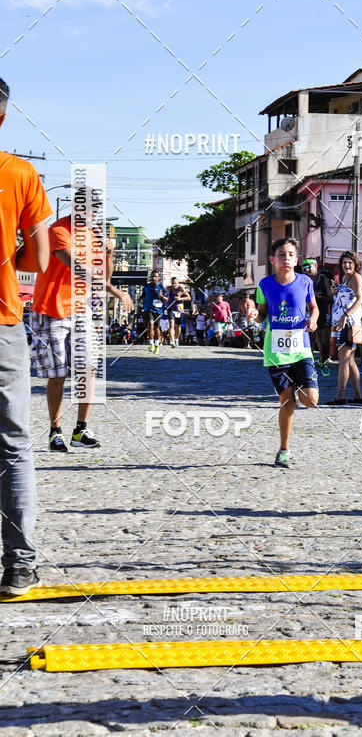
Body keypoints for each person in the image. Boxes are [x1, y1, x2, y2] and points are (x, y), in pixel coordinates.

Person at [0, 78, 52, 595]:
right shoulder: (19, 172)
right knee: (13, 444)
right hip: (2, 321)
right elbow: (38, 258)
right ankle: (18, 565)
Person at [31, 200, 134, 452]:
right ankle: (55, 432)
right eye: (85, 209)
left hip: (80, 310)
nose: (89, 215)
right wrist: (114, 291)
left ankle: (81, 429)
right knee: (57, 375)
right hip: (50, 310)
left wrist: (109, 252)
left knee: (88, 369)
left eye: (93, 211)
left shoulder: (92, 234)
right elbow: (77, 267)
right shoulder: (58, 230)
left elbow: (104, 274)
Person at [255, 237, 319, 468]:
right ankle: (284, 450)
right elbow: (262, 313)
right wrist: (255, 316)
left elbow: (314, 307)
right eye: (281, 255)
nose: (287, 259)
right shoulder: (264, 285)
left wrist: (313, 319)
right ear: (272, 259)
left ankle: (299, 393)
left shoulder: (305, 282)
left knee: (311, 401)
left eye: (291, 254)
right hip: (276, 352)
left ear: (296, 258)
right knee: (286, 401)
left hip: (301, 349)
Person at [326, 251, 362, 405]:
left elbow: (360, 299)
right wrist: (336, 291)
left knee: (343, 360)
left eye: (350, 263)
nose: (347, 265)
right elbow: (346, 299)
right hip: (344, 321)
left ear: (355, 264)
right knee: (349, 361)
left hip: (349, 323)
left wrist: (346, 316)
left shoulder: (356, 277)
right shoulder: (346, 278)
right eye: (344, 263)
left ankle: (341, 395)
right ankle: (358, 395)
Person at [301, 258, 333, 367]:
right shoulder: (301, 279)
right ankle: (308, 362)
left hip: (319, 313)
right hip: (303, 313)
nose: (306, 269)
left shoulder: (323, 279)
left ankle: (323, 360)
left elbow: (330, 298)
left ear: (315, 266)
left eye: (309, 267)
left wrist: (315, 296)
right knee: (306, 340)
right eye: (304, 267)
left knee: (323, 342)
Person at [143, 271, 168, 354]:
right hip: (148, 308)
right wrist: (139, 299)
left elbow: (167, 299)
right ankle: (151, 344)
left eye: (155, 276)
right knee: (150, 324)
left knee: (157, 327)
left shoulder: (161, 287)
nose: (153, 278)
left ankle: (157, 345)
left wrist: (162, 296)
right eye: (152, 276)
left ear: (158, 278)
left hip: (158, 310)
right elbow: (143, 295)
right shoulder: (146, 287)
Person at [166, 277, 191, 348]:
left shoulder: (181, 289)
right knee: (171, 325)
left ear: (178, 283)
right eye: (172, 283)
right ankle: (172, 341)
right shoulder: (168, 288)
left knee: (178, 326)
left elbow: (189, 298)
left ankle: (176, 339)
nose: (174, 285)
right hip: (170, 308)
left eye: (175, 283)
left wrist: (180, 298)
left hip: (178, 309)